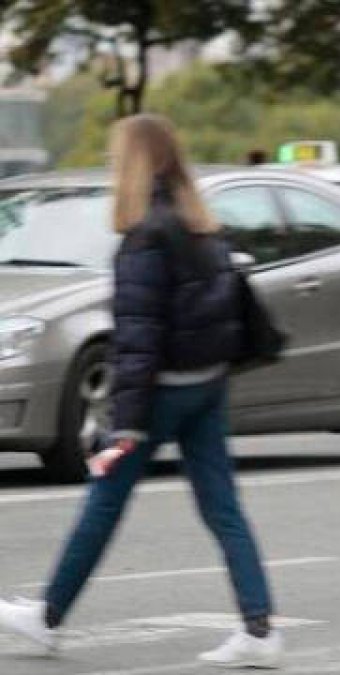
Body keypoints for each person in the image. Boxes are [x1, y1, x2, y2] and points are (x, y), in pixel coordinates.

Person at [0, 114, 283, 668]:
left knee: (103, 503)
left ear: (133, 163)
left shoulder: (145, 237)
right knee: (223, 509)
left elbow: (138, 338)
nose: (110, 167)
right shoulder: (200, 224)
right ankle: (259, 629)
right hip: (206, 388)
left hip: (160, 396)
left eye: (114, 159)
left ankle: (48, 617)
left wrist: (125, 423)